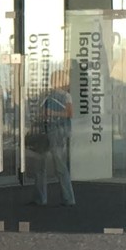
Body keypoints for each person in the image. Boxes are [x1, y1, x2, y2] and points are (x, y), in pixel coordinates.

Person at [34, 68, 76, 205]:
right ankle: (42, 198)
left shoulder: (65, 96)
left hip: (57, 131)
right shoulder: (47, 95)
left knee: (59, 165)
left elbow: (69, 113)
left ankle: (68, 198)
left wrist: (52, 113)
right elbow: (40, 112)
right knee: (40, 165)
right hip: (46, 130)